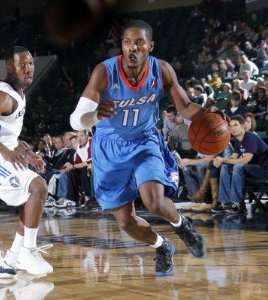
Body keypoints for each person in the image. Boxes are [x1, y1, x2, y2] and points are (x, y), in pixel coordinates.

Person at [70, 20, 206, 276]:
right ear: (121, 46)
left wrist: (209, 116)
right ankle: (162, 246)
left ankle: (182, 226)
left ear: (150, 46)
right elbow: (76, 120)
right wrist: (95, 115)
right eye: (127, 42)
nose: (132, 48)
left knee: (153, 201)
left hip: (144, 140)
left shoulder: (162, 70)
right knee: (126, 222)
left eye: (139, 42)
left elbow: (185, 107)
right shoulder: (104, 72)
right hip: (109, 147)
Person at [0, 46, 53, 279]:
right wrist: (5, 151)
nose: (28, 68)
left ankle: (14, 256)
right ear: (9, 67)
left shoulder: (17, 95)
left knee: (35, 190)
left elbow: (4, 134)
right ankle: (13, 255)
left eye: (31, 63)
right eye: (22, 64)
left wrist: (24, 151)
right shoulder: (1, 94)